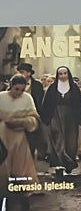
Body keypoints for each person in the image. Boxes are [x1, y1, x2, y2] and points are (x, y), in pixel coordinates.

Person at [0, 75, 40, 211]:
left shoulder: (27, 98)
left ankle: (22, 193)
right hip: (2, 136)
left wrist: (22, 122)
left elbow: (34, 118)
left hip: (19, 136)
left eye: (22, 90)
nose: (19, 93)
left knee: (21, 165)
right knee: (3, 164)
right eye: (16, 89)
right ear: (11, 86)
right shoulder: (1, 97)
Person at [39, 66, 81, 172]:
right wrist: (46, 117)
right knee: (57, 138)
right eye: (61, 74)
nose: (63, 76)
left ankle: (69, 163)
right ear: (57, 75)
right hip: (56, 116)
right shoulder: (52, 87)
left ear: (68, 74)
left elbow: (79, 103)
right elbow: (46, 103)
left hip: (71, 117)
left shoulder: (74, 87)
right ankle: (58, 163)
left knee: (71, 140)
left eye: (65, 73)